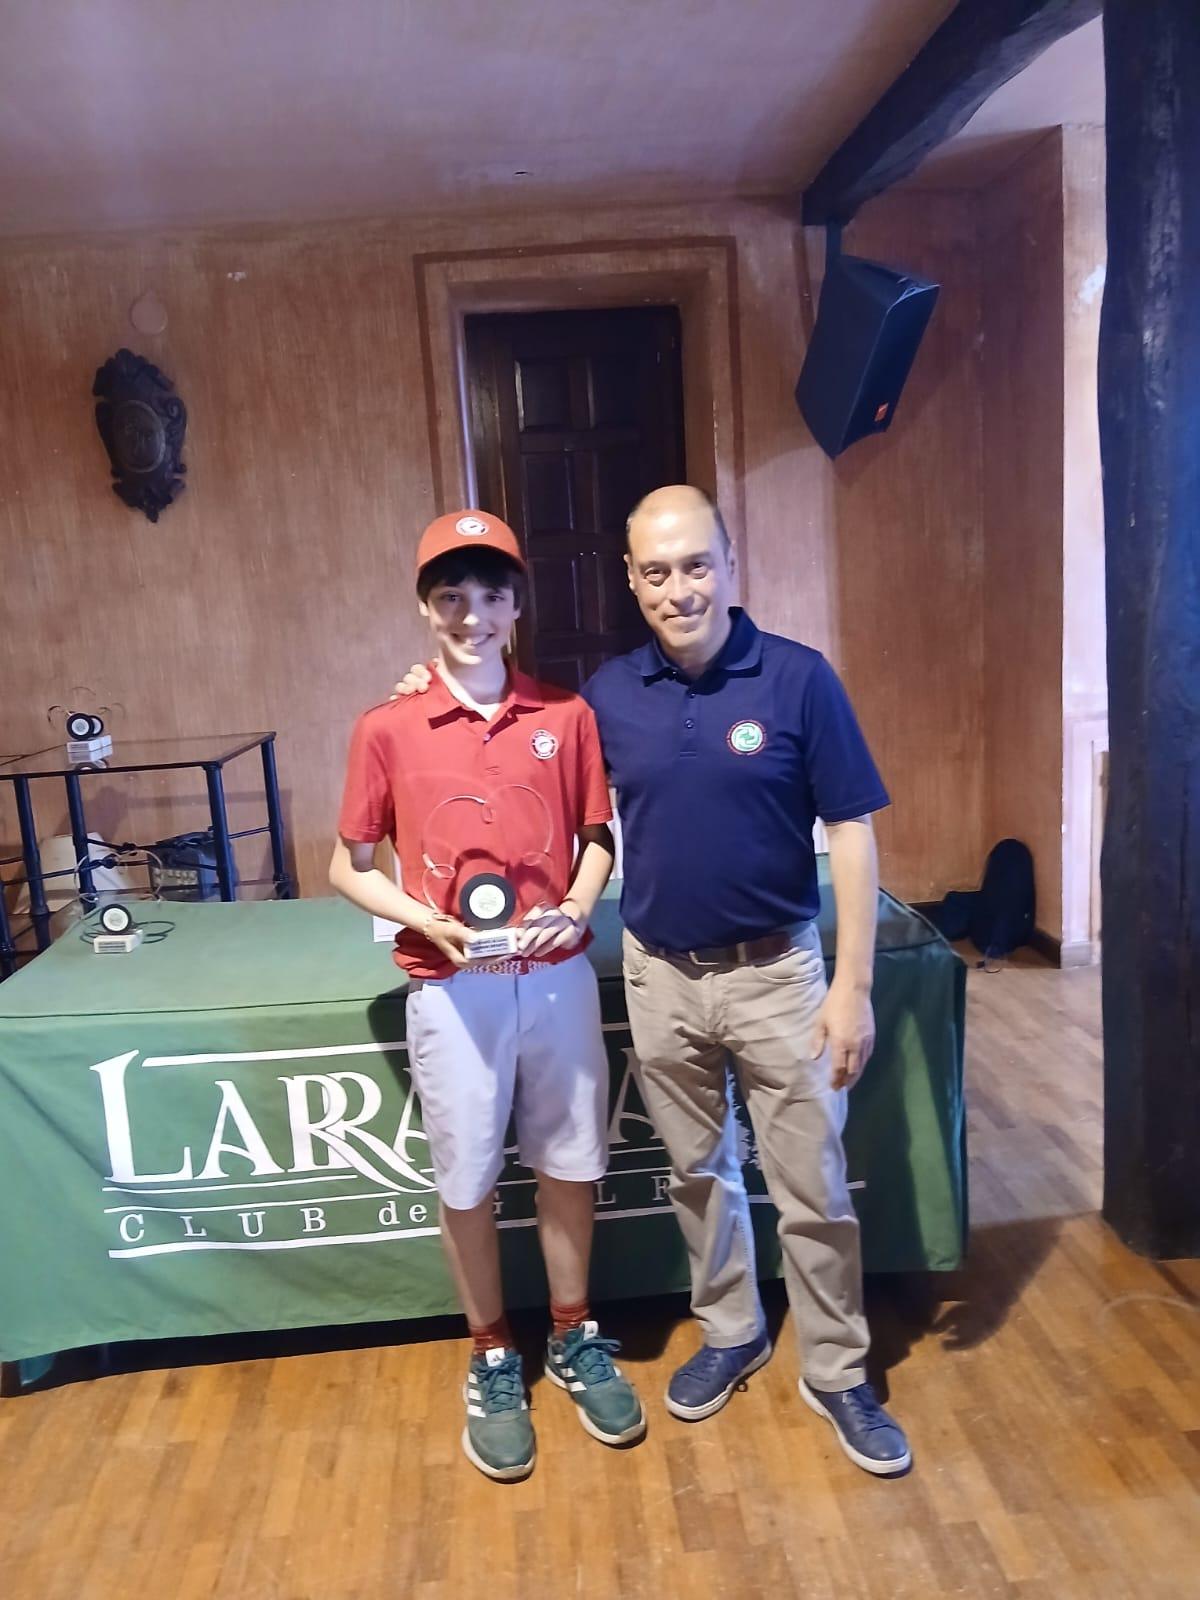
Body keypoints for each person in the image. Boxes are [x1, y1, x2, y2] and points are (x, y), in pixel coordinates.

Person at [392, 485, 910, 1477]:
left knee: (812, 1187)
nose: (680, 589)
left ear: (730, 563)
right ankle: (732, 1330)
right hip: (660, 978)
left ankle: (838, 1369)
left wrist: (853, 984)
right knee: (698, 1176)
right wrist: (430, 679)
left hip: (779, 975)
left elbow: (850, 829)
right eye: (658, 572)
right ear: (632, 581)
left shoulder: (799, 680)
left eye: (696, 565)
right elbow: (523, 746)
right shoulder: (606, 698)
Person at [331, 509, 645, 1483]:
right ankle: (492, 1351)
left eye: (490, 594)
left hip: (553, 980)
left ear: (516, 605)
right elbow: (347, 866)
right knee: (466, 1177)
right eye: (451, 596)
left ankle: (572, 1332)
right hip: (452, 987)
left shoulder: (566, 715)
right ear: (426, 608)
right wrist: (424, 920)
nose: (472, 614)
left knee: (569, 1164)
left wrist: (579, 904)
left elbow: (597, 836)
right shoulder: (387, 727)